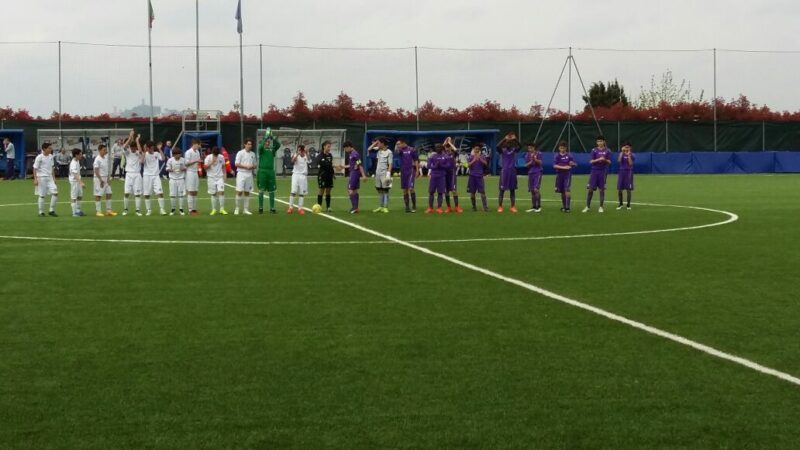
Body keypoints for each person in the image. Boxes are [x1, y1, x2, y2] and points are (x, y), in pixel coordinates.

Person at [583, 135, 612, 213]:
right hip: (594, 171)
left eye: (601, 141)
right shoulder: (594, 150)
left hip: (602, 172)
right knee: (590, 189)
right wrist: (599, 159)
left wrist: (604, 159)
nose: (600, 143)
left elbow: (609, 162)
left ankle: (601, 207)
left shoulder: (607, 150)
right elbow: (591, 161)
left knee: (601, 189)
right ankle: (587, 206)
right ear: (596, 142)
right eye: (598, 141)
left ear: (604, 142)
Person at [141, 138, 167, 216]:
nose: (151, 149)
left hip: (156, 176)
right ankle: (149, 210)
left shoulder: (156, 153)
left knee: (160, 192)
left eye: (152, 147)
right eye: (150, 148)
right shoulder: (145, 154)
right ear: (147, 148)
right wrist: (144, 152)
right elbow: (141, 162)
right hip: (147, 176)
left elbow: (163, 158)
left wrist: (160, 149)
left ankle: (162, 209)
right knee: (147, 194)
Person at [256, 132, 280, 214]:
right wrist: (265, 137)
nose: (267, 143)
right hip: (262, 171)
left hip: (270, 171)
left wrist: (272, 138)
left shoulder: (272, 150)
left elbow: (278, 145)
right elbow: (260, 146)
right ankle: (260, 208)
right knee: (261, 189)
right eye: (266, 142)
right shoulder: (261, 149)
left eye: (268, 142)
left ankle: (272, 208)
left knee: (271, 190)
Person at [496, 132, 520, 213]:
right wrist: (504, 139)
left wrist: (515, 139)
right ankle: (500, 206)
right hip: (504, 172)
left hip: (512, 172)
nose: (508, 144)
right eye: (507, 142)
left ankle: (512, 206)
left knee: (512, 190)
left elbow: (520, 146)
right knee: (502, 190)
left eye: (510, 142)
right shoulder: (502, 151)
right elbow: (497, 146)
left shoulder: (513, 150)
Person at [395, 137, 419, 213]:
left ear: (403, 143)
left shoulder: (412, 150)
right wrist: (396, 145)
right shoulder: (401, 151)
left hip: (411, 171)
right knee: (405, 190)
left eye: (399, 144)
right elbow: (396, 151)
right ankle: (407, 207)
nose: (398, 145)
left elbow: (416, 160)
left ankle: (414, 206)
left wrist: (417, 170)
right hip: (403, 172)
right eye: (397, 144)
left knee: (411, 188)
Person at [33, 143, 59, 216]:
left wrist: (54, 178)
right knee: (42, 195)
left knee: (55, 192)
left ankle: (51, 210)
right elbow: (35, 168)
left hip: (50, 177)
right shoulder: (39, 157)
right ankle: (41, 212)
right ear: (44, 149)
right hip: (41, 178)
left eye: (51, 148)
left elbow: (52, 167)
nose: (51, 149)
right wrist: (35, 179)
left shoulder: (51, 156)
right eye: (49, 148)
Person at [368, 137, 392, 213]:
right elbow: (369, 149)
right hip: (378, 173)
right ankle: (380, 206)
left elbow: (390, 164)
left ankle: (385, 207)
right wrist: (375, 143)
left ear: (383, 143)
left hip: (385, 173)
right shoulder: (379, 151)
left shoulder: (389, 152)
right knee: (380, 190)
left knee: (386, 190)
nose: (378, 144)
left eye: (379, 143)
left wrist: (388, 174)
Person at [122, 131, 143, 216]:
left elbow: (141, 151)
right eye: (131, 147)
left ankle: (137, 210)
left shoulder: (138, 153)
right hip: (129, 174)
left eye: (134, 148)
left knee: (137, 194)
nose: (132, 149)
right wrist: (130, 137)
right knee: (126, 193)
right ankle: (125, 209)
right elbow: (124, 147)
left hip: (137, 175)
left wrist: (137, 140)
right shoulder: (127, 153)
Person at [92, 144, 116, 217]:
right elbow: (96, 171)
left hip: (106, 178)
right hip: (99, 178)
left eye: (106, 150)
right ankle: (98, 211)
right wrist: (100, 180)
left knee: (109, 193)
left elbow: (107, 169)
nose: (105, 151)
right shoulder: (97, 159)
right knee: (98, 194)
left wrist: (108, 178)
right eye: (104, 150)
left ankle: (108, 210)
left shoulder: (105, 158)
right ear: (99, 150)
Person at [234, 138, 257, 215]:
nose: (250, 146)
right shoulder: (240, 153)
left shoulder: (253, 154)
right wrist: (246, 166)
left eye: (251, 144)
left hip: (249, 175)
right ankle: (237, 208)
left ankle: (245, 209)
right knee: (239, 191)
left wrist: (252, 166)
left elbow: (255, 165)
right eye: (248, 144)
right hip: (241, 174)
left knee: (247, 192)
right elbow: (236, 164)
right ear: (245, 144)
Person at [425, 143, 449, 214]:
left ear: (442, 148)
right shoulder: (432, 156)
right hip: (434, 176)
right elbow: (428, 166)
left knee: (440, 193)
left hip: (441, 177)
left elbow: (448, 165)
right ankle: (430, 208)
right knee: (431, 192)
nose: (438, 148)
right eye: (436, 147)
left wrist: (441, 165)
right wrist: (435, 166)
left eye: (439, 147)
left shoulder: (445, 156)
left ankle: (439, 208)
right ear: (435, 149)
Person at [554, 141, 577, 213]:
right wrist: (564, 167)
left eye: (563, 148)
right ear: (559, 148)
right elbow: (554, 165)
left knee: (567, 190)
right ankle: (564, 206)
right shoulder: (557, 156)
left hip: (567, 175)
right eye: (561, 148)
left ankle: (568, 207)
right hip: (559, 175)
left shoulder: (569, 156)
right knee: (562, 192)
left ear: (566, 148)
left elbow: (575, 164)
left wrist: (572, 164)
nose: (562, 149)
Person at [204, 146, 228, 216]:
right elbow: (205, 167)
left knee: (221, 192)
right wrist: (211, 162)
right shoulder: (208, 157)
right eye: (215, 154)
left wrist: (225, 175)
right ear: (212, 153)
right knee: (213, 193)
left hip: (219, 177)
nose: (216, 156)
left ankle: (222, 209)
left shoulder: (221, 157)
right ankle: (214, 209)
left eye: (217, 155)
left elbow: (223, 166)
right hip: (211, 177)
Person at [344, 141, 366, 214]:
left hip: (354, 173)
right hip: (354, 173)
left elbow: (360, 165)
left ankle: (354, 207)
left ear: (349, 147)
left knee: (350, 189)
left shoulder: (355, 154)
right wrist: (343, 167)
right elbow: (352, 165)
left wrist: (363, 175)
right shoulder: (352, 154)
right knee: (355, 190)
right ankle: (356, 208)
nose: (345, 150)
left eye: (345, 149)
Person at [287, 145, 309, 214]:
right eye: (299, 150)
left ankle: (300, 208)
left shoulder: (306, 155)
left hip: (303, 176)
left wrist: (307, 153)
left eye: (302, 150)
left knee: (301, 193)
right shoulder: (296, 155)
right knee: (293, 191)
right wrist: (297, 154)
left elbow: (310, 161)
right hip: (295, 175)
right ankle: (290, 207)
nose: (300, 151)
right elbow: (292, 161)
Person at [466, 143, 489, 212]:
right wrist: (474, 160)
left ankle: (485, 207)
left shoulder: (482, 156)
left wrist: (480, 159)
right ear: (473, 149)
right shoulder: (470, 157)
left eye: (478, 149)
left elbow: (486, 163)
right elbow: (468, 165)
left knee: (482, 192)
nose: (477, 150)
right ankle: (474, 207)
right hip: (472, 176)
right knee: (472, 193)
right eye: (476, 149)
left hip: (479, 176)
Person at [443, 137, 462, 213]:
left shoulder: (453, 154)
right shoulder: (443, 154)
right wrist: (446, 141)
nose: (447, 148)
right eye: (446, 147)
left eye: (449, 147)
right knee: (446, 191)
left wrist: (450, 143)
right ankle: (448, 207)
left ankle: (457, 207)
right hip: (445, 173)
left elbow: (456, 150)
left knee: (454, 190)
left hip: (452, 173)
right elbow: (441, 147)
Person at [166, 147, 188, 215]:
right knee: (172, 195)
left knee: (181, 195)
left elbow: (186, 167)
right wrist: (171, 170)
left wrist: (183, 169)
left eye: (180, 154)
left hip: (181, 179)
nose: (179, 155)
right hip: (172, 179)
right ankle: (173, 209)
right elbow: (167, 168)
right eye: (177, 154)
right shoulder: (170, 160)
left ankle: (181, 209)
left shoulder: (183, 160)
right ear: (174, 155)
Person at [315, 140, 335, 212]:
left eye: (330, 147)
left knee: (328, 191)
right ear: (324, 147)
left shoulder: (330, 155)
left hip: (329, 175)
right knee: (321, 191)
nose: (329, 148)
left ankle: (328, 207)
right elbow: (324, 164)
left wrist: (333, 173)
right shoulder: (319, 156)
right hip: (322, 175)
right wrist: (330, 164)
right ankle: (319, 206)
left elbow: (330, 165)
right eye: (328, 146)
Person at [184, 139, 202, 215]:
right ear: (194, 144)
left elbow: (198, 162)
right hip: (190, 172)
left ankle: (194, 209)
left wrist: (199, 169)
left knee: (195, 191)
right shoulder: (188, 152)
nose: (199, 146)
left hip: (195, 172)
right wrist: (196, 161)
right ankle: (190, 210)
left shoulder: (197, 152)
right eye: (199, 144)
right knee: (191, 191)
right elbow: (186, 164)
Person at [524, 142, 543, 213]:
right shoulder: (527, 155)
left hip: (538, 172)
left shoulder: (539, 153)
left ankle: (539, 206)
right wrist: (531, 161)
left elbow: (541, 162)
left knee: (536, 189)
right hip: (530, 173)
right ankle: (534, 206)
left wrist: (535, 160)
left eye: (531, 148)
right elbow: (526, 165)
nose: (530, 149)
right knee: (532, 190)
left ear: (534, 148)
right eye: (529, 148)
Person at [617, 142, 635, 210]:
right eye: (625, 147)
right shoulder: (621, 153)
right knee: (619, 190)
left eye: (628, 147)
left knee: (628, 189)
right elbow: (619, 160)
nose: (626, 148)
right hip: (621, 172)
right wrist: (622, 152)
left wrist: (629, 155)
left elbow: (630, 163)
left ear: (630, 148)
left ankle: (628, 205)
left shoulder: (632, 155)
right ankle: (620, 204)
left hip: (629, 172)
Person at [68, 148, 85, 217]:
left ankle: (78, 210)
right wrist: (81, 182)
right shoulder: (73, 163)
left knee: (80, 196)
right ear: (76, 155)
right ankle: (74, 212)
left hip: (78, 181)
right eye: (80, 154)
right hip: (74, 182)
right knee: (74, 197)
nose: (81, 156)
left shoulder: (77, 161)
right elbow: (75, 175)